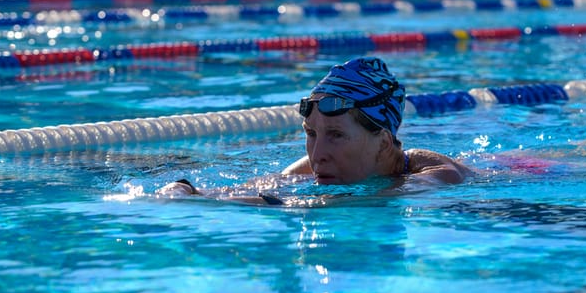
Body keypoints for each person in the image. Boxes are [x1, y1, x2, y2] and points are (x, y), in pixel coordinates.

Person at [159, 57, 471, 203]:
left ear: (385, 142)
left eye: (336, 135)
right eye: (311, 134)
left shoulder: (438, 175)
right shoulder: (314, 167)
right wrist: (188, 190)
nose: (318, 155)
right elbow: (258, 188)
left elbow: (356, 203)